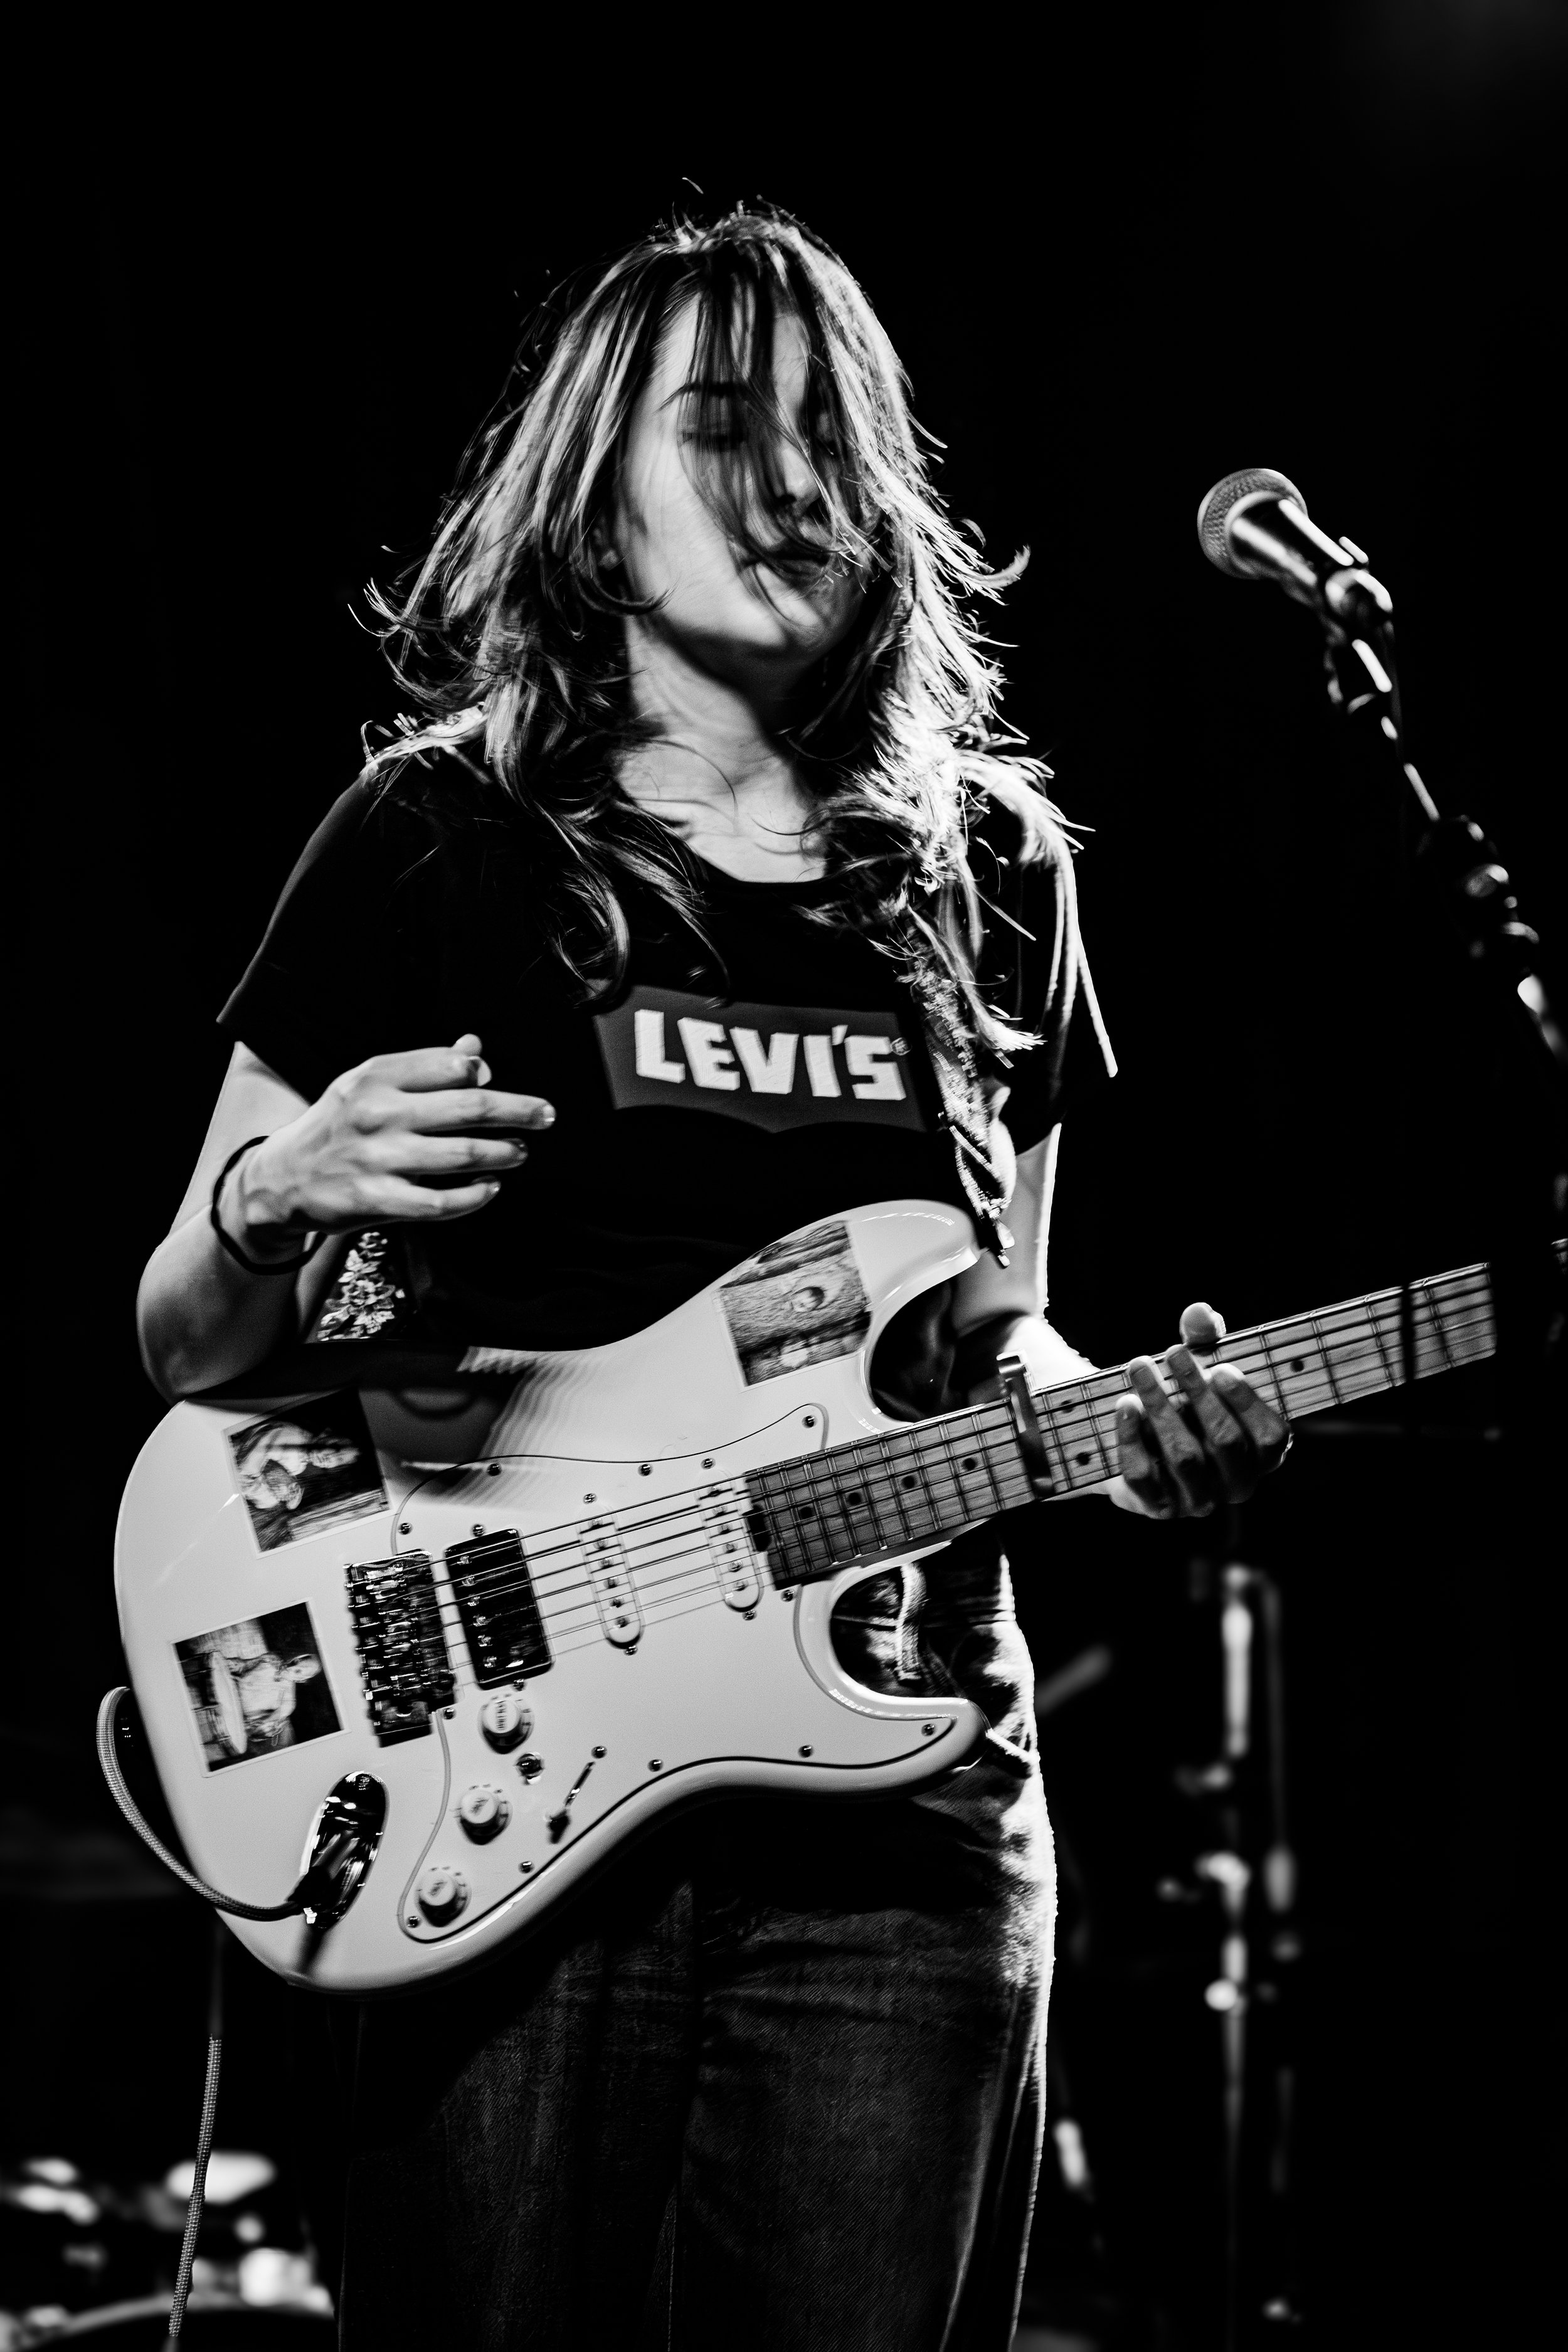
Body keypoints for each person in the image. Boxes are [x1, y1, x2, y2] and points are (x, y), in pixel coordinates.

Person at [137, 211, 1287, 2351]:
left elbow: (985, 1334)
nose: (798, 487)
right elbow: (182, 1337)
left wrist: (1130, 1442)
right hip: (518, 1774)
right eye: (728, 426)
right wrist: (280, 1187)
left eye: (838, 443)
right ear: (595, 483)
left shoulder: (990, 877)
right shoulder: (435, 838)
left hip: (897, 1805)